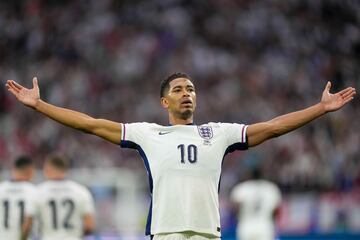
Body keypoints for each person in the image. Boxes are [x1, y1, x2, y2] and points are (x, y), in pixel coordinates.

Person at [5, 72, 356, 239]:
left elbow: (273, 127)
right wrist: (39, 106)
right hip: (166, 233)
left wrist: (319, 109)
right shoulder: (147, 133)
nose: (186, 93)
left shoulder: (219, 133)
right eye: (178, 89)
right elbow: (90, 124)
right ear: (165, 102)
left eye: (190, 89)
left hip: (208, 233)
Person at [36, 153, 96, 240]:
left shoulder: (39, 191)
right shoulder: (81, 191)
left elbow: (29, 223)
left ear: (48, 169)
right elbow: (89, 226)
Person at [230, 168, 281, 240]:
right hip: (265, 226)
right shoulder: (271, 188)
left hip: (245, 226)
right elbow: (276, 211)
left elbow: (235, 208)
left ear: (250, 176)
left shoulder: (242, 188)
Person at [0, 155, 37, 240]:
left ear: (14, 169)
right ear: (30, 171)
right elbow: (28, 222)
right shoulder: (33, 191)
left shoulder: (1, 189)